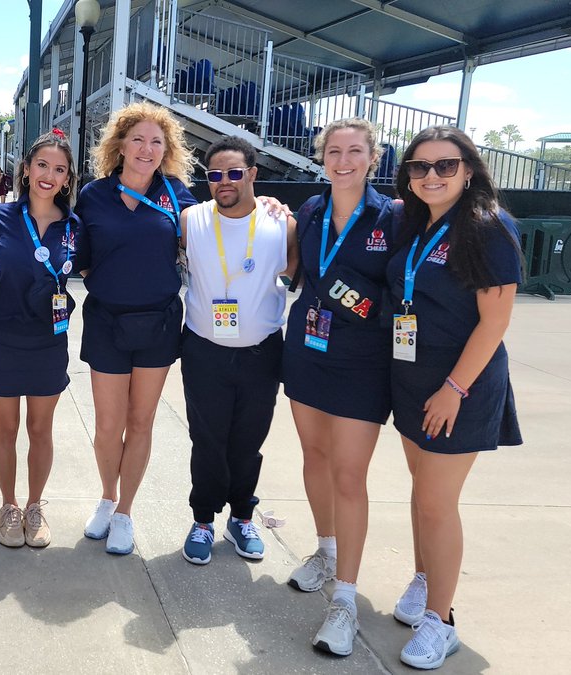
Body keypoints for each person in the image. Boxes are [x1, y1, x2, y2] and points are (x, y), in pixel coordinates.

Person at [387, 126, 522, 670]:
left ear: (469, 170)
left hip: (459, 386)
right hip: (414, 380)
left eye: (445, 165)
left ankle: (441, 622)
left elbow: (495, 323)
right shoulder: (418, 224)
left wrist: (453, 388)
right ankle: (425, 580)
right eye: (420, 167)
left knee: (438, 504)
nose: (432, 176)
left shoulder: (488, 228)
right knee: (422, 495)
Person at [281, 118, 399, 656]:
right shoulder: (309, 210)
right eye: (333, 151)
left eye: (355, 151)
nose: (343, 161)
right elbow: (294, 272)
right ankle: (325, 551)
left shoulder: (393, 217)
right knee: (314, 454)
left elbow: (401, 290)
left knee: (350, 475)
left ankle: (346, 600)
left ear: (372, 158)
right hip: (307, 349)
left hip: (362, 362)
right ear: (321, 157)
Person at [73, 102, 196, 556]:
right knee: (108, 425)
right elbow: (80, 255)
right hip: (106, 320)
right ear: (120, 145)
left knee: (140, 421)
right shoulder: (93, 195)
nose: (147, 149)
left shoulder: (178, 194)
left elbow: (216, 230)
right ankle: (107, 497)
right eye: (138, 139)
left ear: (167, 150)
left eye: (156, 142)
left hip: (158, 322)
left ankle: (126, 510)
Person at [178, 136, 296, 565]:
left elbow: (296, 272)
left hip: (261, 352)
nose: (223, 182)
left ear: (252, 174)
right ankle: (204, 520)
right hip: (204, 349)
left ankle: (242, 517)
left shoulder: (280, 224)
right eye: (214, 175)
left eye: (233, 173)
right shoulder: (191, 220)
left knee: (248, 441)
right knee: (206, 440)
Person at [0, 130, 80, 549]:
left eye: (59, 170)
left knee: (41, 428)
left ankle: (35, 506)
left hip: (48, 342)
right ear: (26, 169)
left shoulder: (75, 227)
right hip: (3, 336)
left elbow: (94, 272)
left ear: (68, 180)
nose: (48, 175)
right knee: (6, 428)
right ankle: (9, 506)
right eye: (42, 165)